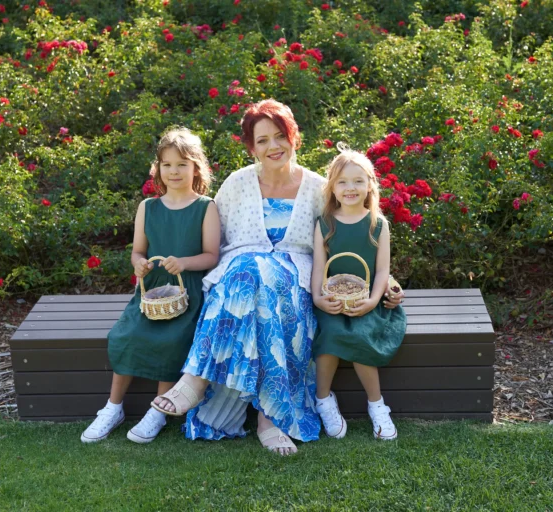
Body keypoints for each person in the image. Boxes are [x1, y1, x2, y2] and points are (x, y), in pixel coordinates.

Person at [152, 100, 404, 455]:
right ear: (251, 147)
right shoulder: (237, 184)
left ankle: (196, 379)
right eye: (262, 140)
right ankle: (269, 418)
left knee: (258, 274)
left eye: (279, 136)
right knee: (249, 270)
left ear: (293, 137)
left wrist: (386, 278)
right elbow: (211, 239)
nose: (273, 146)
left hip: (296, 277)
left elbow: (349, 234)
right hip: (239, 275)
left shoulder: (318, 188)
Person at [80, 127, 220, 443]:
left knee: (170, 340)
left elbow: (212, 255)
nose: (174, 171)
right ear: (157, 169)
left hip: (188, 290)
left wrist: (184, 263)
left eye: (182, 164)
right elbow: (137, 251)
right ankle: (112, 408)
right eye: (167, 164)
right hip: (153, 289)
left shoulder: (205, 207)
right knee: (125, 335)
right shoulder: (148, 207)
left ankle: (157, 411)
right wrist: (139, 264)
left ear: (196, 167)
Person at [311, 147, 406, 441]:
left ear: (369, 185)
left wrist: (374, 300)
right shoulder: (325, 224)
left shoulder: (378, 224)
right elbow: (318, 268)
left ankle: (377, 405)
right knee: (328, 334)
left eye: (357, 181)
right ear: (332, 188)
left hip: (368, 299)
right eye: (342, 182)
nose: (350, 188)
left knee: (361, 333)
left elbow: (381, 271)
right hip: (332, 299)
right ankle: (323, 399)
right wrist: (318, 299)